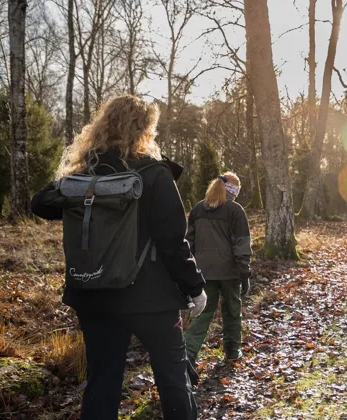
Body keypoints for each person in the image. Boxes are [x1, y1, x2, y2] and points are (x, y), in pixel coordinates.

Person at [31, 95, 205, 420]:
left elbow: (39, 203)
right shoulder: (155, 174)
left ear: (103, 125)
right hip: (152, 298)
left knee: (102, 381)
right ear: (145, 130)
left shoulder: (86, 173)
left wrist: (76, 178)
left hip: (94, 295)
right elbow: (172, 242)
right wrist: (194, 287)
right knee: (172, 377)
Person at [183, 172, 252, 378]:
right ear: (234, 191)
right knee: (232, 310)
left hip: (203, 271)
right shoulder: (235, 210)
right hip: (230, 271)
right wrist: (245, 272)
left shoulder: (198, 209)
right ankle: (232, 351)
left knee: (202, 313)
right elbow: (241, 243)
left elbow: (188, 242)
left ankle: (187, 354)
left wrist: (190, 269)